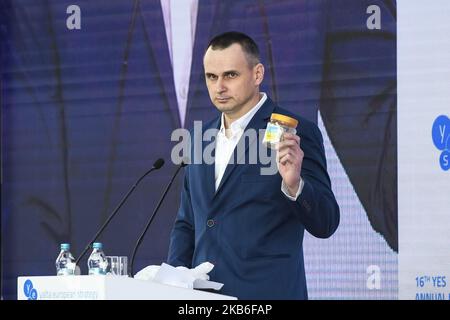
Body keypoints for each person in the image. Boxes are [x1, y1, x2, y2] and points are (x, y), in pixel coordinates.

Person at [167, 31, 340, 300]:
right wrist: (174, 284)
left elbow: (326, 222)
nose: (219, 87)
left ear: (257, 74)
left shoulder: (295, 131)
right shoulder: (199, 138)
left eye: (230, 75)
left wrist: (295, 185)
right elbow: (187, 223)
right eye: (211, 77)